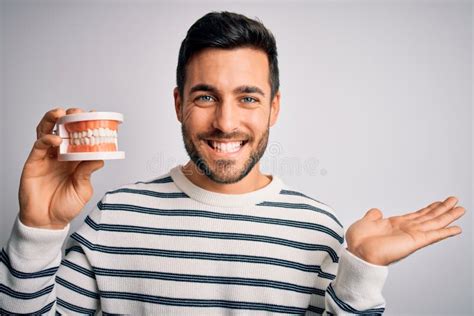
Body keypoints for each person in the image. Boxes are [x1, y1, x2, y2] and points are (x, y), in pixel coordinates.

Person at [1, 11, 466, 315]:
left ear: (274, 108)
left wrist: (361, 271)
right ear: (179, 102)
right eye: (206, 96)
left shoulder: (320, 230)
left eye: (248, 97)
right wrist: (36, 230)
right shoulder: (113, 218)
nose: (225, 122)